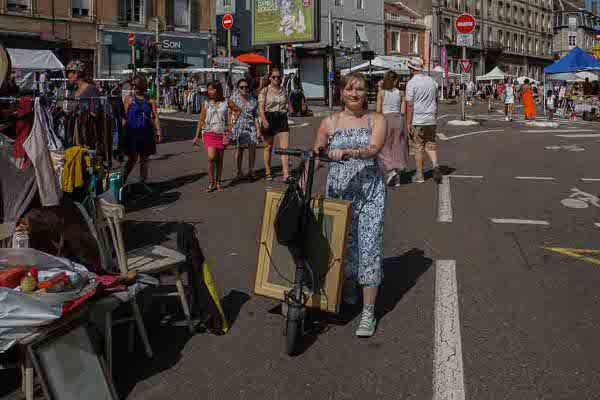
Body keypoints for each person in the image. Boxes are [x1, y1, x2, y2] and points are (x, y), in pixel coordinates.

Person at [312, 72, 386, 337]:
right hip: (339, 194)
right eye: (350, 89)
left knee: (369, 246)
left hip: (370, 195)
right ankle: (349, 283)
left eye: (360, 89)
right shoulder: (329, 122)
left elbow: (374, 148)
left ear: (367, 93)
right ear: (341, 93)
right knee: (342, 244)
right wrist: (311, 164)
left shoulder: (376, 120)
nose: (355, 94)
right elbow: (318, 150)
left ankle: (368, 312)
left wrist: (348, 152)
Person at [193, 81, 240, 192]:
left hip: (221, 133)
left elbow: (238, 110)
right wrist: (196, 136)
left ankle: (218, 182)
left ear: (218, 90)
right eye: (208, 89)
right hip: (209, 132)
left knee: (219, 159)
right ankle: (211, 182)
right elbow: (201, 120)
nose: (209, 92)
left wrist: (231, 124)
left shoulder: (226, 102)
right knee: (211, 157)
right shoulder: (206, 103)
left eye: (212, 89)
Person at [405, 57, 442, 184]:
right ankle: (435, 165)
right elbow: (436, 100)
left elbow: (410, 105)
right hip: (431, 118)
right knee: (430, 144)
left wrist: (408, 122)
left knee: (418, 147)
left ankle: (420, 175)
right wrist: (435, 115)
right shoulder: (432, 81)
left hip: (418, 120)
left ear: (411, 68)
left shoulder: (411, 83)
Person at [122, 75, 162, 190]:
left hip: (146, 132)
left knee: (144, 158)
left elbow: (155, 117)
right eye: (133, 85)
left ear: (142, 85)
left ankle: (143, 181)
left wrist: (158, 131)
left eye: (136, 85)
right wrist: (121, 133)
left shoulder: (150, 100)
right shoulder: (129, 99)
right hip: (132, 132)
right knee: (132, 158)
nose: (134, 87)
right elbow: (124, 118)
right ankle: (122, 180)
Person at [258, 67, 290, 181]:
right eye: (274, 77)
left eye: (279, 77)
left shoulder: (284, 90)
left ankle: (286, 173)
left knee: (285, 148)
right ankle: (268, 171)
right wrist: (264, 120)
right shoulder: (265, 90)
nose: (277, 79)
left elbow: (286, 104)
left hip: (281, 118)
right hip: (269, 117)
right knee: (268, 147)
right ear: (270, 78)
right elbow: (261, 108)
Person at [376, 71, 407, 186]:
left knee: (384, 146)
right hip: (398, 119)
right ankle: (398, 179)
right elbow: (403, 111)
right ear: (395, 81)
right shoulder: (401, 93)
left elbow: (378, 110)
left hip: (385, 119)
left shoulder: (381, 92)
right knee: (398, 146)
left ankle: (390, 169)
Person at [231, 78, 260, 180]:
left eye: (246, 87)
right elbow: (229, 114)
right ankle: (239, 171)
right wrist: (230, 127)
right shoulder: (233, 99)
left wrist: (258, 130)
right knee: (241, 149)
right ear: (238, 88)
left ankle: (251, 170)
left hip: (251, 126)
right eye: (241, 87)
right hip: (239, 126)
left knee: (252, 148)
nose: (244, 89)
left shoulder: (253, 100)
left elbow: (256, 116)